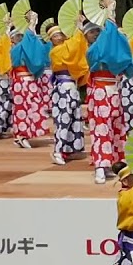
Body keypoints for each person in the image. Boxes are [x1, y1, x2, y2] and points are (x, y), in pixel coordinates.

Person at [86, 5, 133, 184]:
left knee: (116, 128)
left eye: (98, 31)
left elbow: (117, 47)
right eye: (91, 33)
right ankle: (100, 164)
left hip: (114, 90)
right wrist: (110, 17)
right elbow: (108, 44)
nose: (95, 34)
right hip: (100, 91)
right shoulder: (93, 51)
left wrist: (111, 18)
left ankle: (112, 163)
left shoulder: (105, 46)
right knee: (101, 128)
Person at [46, 22, 89, 166]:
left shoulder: (66, 46)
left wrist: (77, 30)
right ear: (51, 40)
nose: (58, 37)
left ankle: (70, 149)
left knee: (75, 118)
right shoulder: (55, 51)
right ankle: (57, 150)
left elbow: (77, 49)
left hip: (71, 86)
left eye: (60, 34)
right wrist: (78, 30)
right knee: (63, 119)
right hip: (63, 87)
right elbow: (72, 50)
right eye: (55, 36)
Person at [9, 14, 49, 150]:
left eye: (21, 36)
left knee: (33, 108)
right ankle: (21, 135)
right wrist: (31, 25)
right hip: (21, 82)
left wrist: (33, 26)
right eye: (17, 36)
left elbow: (35, 47)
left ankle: (25, 133)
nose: (19, 38)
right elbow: (30, 43)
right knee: (22, 109)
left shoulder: (25, 47)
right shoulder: (15, 49)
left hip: (30, 81)